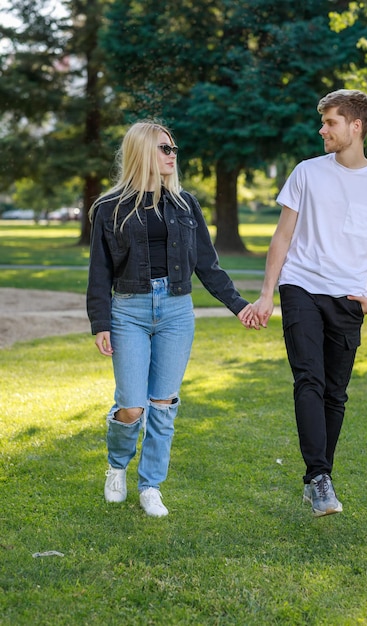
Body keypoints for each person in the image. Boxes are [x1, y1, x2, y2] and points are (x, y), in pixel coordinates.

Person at [87, 121, 253, 517]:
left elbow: (208, 266)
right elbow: (99, 272)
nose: (172, 153)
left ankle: (150, 486)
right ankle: (116, 466)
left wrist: (239, 305)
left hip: (177, 311)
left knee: (162, 404)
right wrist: (101, 322)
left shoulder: (185, 204)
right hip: (129, 309)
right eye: (164, 147)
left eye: (173, 147)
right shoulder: (109, 208)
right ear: (144, 152)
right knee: (132, 406)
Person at [253, 89, 367, 517]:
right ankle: (319, 477)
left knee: (335, 394)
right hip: (300, 287)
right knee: (309, 381)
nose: (322, 129)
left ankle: (319, 479)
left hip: (349, 297)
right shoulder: (306, 173)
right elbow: (282, 237)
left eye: (330, 122)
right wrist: (268, 293)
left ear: (355, 127)